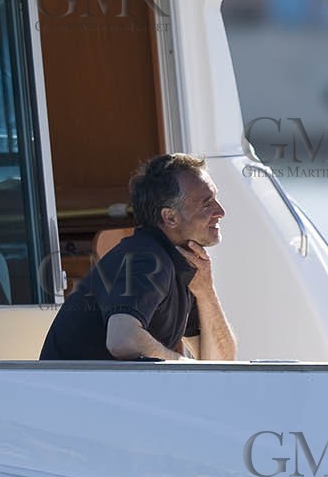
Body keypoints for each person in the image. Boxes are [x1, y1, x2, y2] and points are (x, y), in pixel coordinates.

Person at [40, 153, 237, 361]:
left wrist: (206, 293)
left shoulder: (182, 263)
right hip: (72, 392)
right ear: (170, 217)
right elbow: (122, 340)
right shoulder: (147, 258)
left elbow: (221, 363)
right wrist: (182, 366)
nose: (221, 211)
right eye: (207, 204)